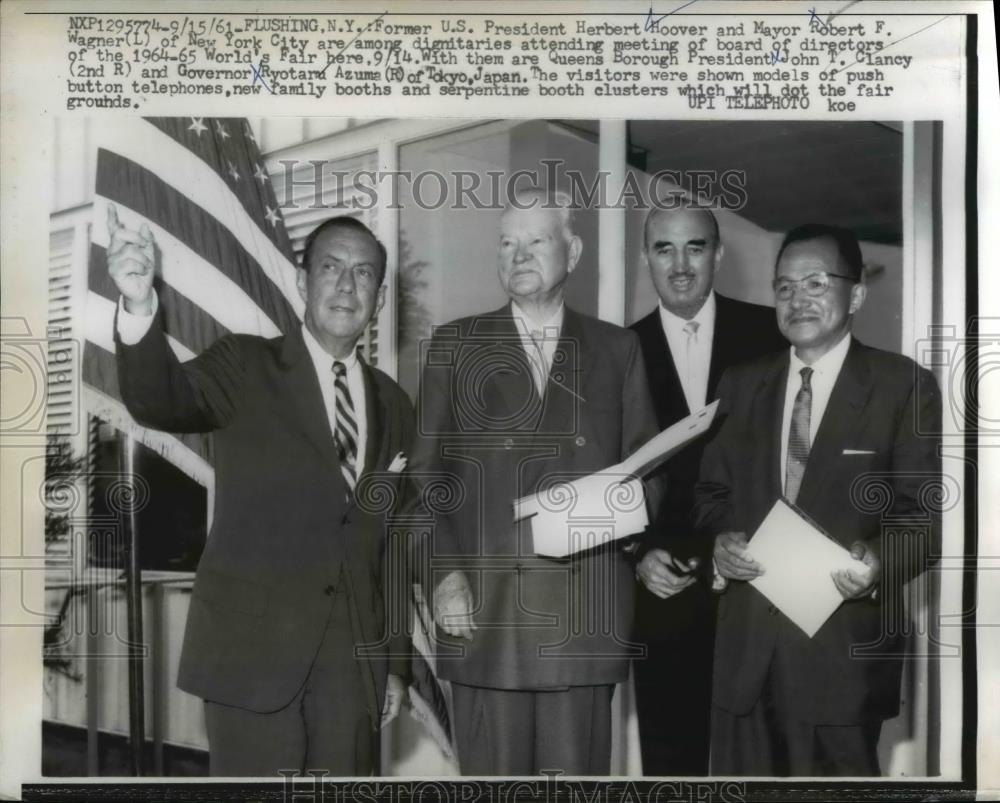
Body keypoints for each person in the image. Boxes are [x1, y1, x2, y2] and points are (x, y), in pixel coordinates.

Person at [108, 207, 413, 776]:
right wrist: (138, 304)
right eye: (331, 267)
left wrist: (394, 660)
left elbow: (390, 545)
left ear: (380, 294)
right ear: (302, 281)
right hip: (250, 656)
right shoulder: (245, 364)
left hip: (352, 667)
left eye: (365, 273)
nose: (347, 285)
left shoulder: (396, 404)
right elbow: (159, 398)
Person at [410, 187, 660, 775]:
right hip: (483, 613)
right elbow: (424, 478)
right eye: (506, 242)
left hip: (583, 620)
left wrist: (591, 520)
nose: (518, 254)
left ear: (572, 253)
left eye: (536, 240)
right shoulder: (453, 345)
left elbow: (650, 473)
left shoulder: (619, 349)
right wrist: (443, 575)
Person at [694, 223, 942, 776]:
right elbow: (711, 495)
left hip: (841, 666)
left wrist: (878, 563)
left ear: (855, 294)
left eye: (814, 283)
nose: (797, 299)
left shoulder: (903, 385)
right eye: (784, 287)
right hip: (745, 662)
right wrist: (719, 541)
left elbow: (923, 522)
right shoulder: (740, 383)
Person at [629, 206, 785, 776]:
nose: (680, 264)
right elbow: (607, 474)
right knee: (674, 769)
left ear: (718, 255)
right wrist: (637, 553)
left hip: (760, 584)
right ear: (646, 257)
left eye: (695, 247)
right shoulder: (617, 351)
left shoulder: (772, 334)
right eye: (664, 249)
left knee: (768, 763)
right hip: (663, 593)